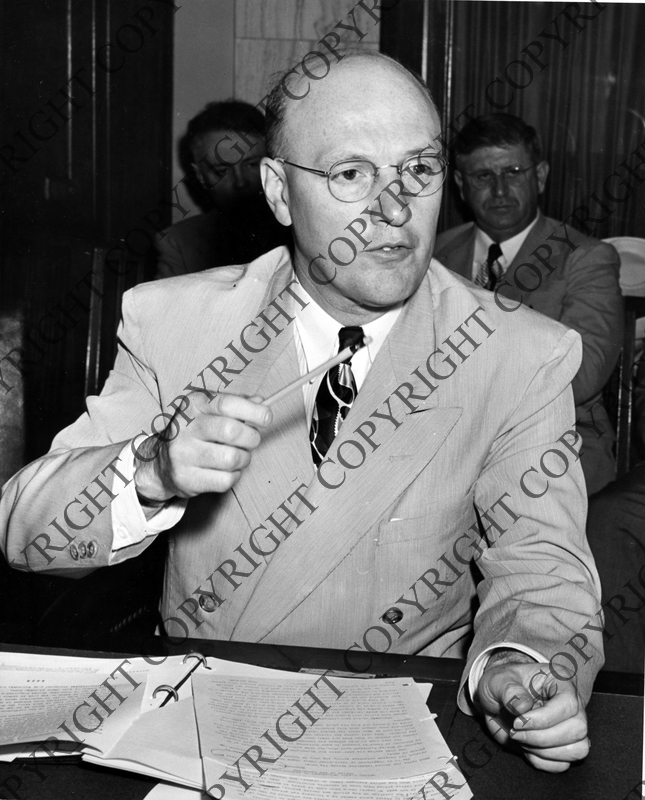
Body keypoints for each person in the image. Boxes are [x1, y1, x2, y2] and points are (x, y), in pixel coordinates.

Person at [0, 52, 602, 772]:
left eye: (419, 169)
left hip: (403, 735)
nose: (392, 208)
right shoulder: (177, 322)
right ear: (280, 192)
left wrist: (518, 662)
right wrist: (150, 472)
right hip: (200, 736)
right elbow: (28, 536)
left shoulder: (517, 354)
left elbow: (542, 568)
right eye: (351, 174)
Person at [434, 113, 623, 496]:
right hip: (444, 448)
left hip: (559, 448)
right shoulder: (434, 256)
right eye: (483, 176)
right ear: (460, 184)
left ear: (539, 176)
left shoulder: (585, 258)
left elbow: (581, 376)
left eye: (514, 172)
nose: (500, 190)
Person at [155, 100, 290, 279]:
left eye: (251, 165)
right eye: (222, 171)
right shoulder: (180, 243)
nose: (240, 182)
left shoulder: (305, 228)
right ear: (200, 176)